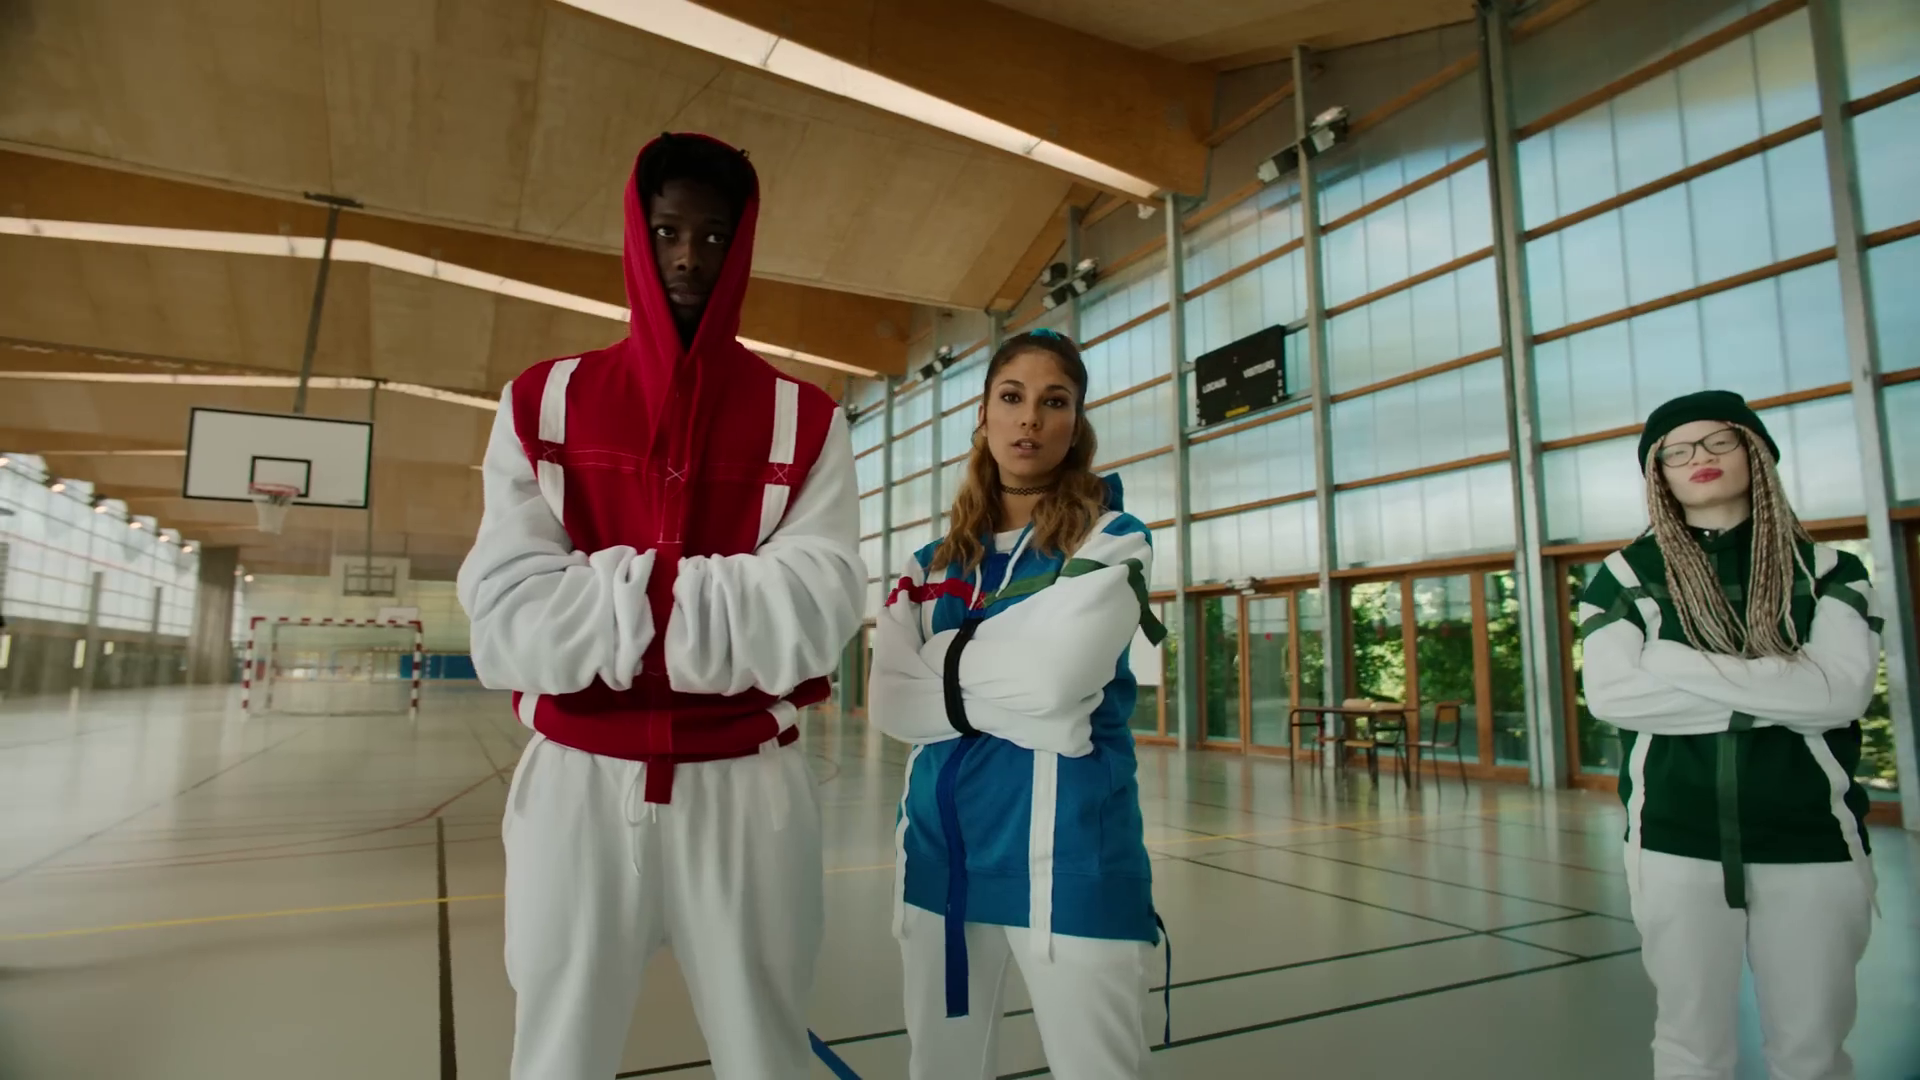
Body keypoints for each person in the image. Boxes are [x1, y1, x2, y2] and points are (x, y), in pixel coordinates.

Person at [456, 133, 865, 1080]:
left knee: (766, 1055)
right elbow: (508, 622)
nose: (689, 257)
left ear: (742, 247)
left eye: (714, 236)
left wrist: (604, 599)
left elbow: (815, 611)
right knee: (556, 1055)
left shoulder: (806, 419)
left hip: (751, 793)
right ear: (637, 238)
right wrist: (723, 607)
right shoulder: (541, 402)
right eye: (669, 232)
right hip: (577, 788)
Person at [869, 329, 1167, 1080]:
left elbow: (1055, 681)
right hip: (939, 859)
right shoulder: (927, 566)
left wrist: (941, 667)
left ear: (1076, 424)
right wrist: (1026, 696)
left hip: (1074, 861)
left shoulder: (1112, 540)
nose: (1030, 417)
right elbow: (892, 707)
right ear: (984, 415)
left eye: (1054, 401)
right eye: (1012, 397)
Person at [1578, 390, 1881, 1080]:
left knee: (1812, 1052)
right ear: (1659, 473)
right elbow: (1615, 696)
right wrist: (1787, 691)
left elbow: (1841, 695)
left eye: (1719, 441)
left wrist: (1673, 663)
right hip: (1674, 836)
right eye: (1677, 451)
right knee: (1691, 1047)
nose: (1700, 458)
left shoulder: (1831, 571)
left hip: (1814, 836)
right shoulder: (1626, 575)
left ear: (1756, 451)